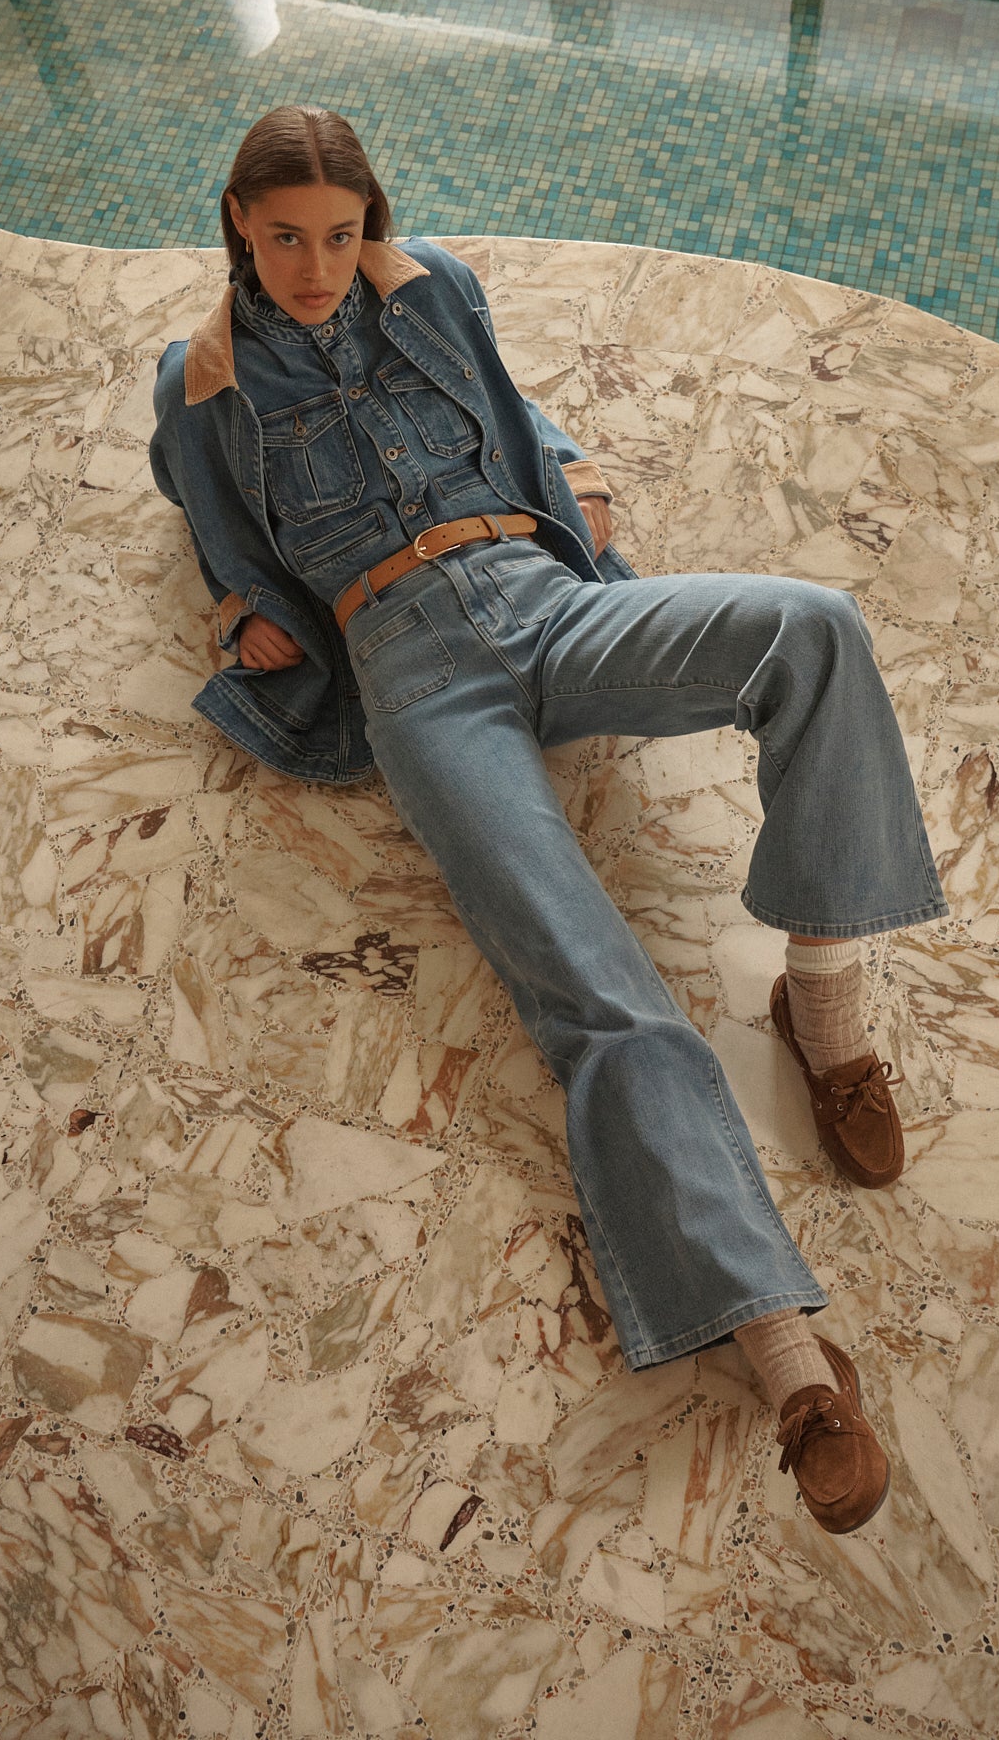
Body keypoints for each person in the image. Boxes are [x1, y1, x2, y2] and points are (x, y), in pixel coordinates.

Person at [150, 105, 949, 1536]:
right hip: (412, 676)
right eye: (284, 239)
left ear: (372, 220)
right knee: (592, 988)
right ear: (237, 226)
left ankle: (822, 1006)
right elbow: (211, 520)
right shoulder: (200, 380)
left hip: (545, 600)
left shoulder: (436, 288)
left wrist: (572, 466)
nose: (315, 267)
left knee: (814, 627)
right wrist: (246, 610)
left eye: (340, 233)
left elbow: (506, 406)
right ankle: (787, 1360)